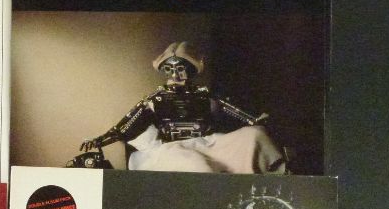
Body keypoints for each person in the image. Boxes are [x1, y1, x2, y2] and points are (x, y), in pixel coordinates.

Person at [80, 42, 284, 174]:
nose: (176, 75)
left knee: (255, 134)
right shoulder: (155, 98)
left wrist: (255, 121)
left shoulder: (204, 94)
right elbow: (125, 125)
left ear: (191, 70)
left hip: (208, 143)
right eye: (170, 69)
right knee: (196, 166)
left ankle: (281, 175)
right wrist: (100, 140)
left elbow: (233, 110)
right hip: (172, 148)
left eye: (181, 69)